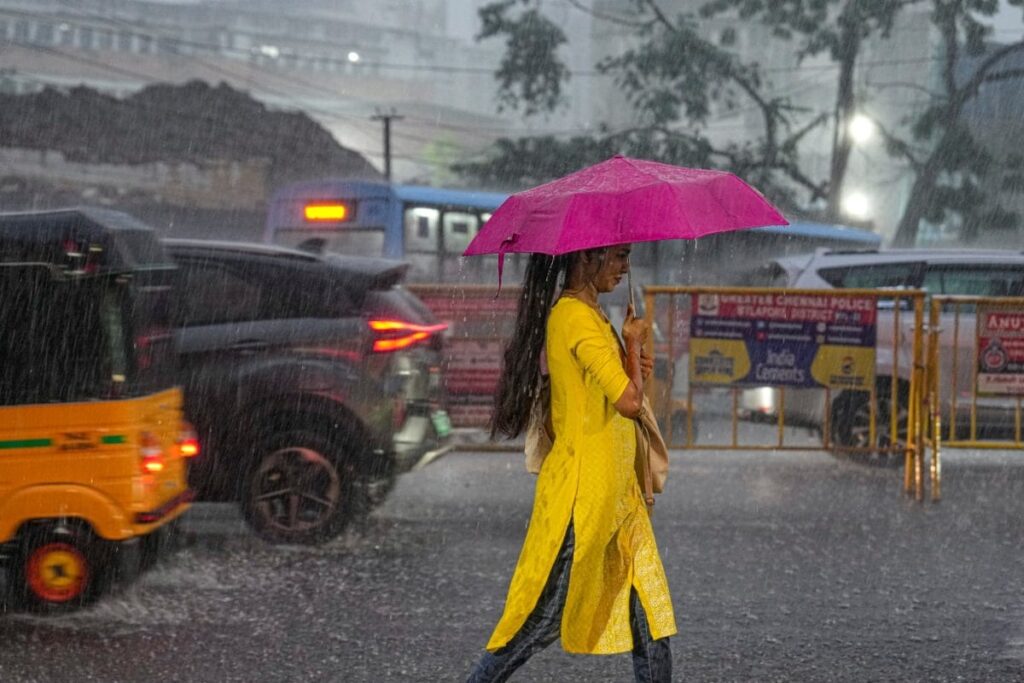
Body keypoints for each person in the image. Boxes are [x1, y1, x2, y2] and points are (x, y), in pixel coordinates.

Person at [466, 244, 676, 683]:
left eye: (627, 257)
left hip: (619, 495)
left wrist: (632, 360)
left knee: (651, 616)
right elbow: (628, 402)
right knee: (535, 623)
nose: (625, 267)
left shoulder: (594, 315)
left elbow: (612, 391)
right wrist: (634, 343)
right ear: (585, 258)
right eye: (617, 256)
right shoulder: (573, 317)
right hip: (583, 496)